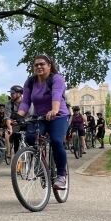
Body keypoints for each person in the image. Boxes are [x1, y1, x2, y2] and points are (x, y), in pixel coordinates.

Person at [17, 54, 70, 190]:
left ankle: (61, 175)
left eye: (42, 64)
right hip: (40, 117)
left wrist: (54, 110)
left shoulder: (56, 79)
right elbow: (25, 102)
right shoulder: (30, 82)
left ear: (49, 66)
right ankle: (41, 166)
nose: (39, 66)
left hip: (58, 116)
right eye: (36, 65)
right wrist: (18, 116)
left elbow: (56, 95)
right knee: (30, 137)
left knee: (56, 141)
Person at [4, 85, 24, 156]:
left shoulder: (27, 102)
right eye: (11, 93)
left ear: (19, 93)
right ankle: (11, 153)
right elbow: (7, 117)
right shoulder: (8, 104)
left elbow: (31, 115)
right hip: (14, 124)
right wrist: (10, 128)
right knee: (12, 136)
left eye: (13, 93)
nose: (11, 95)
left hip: (26, 123)